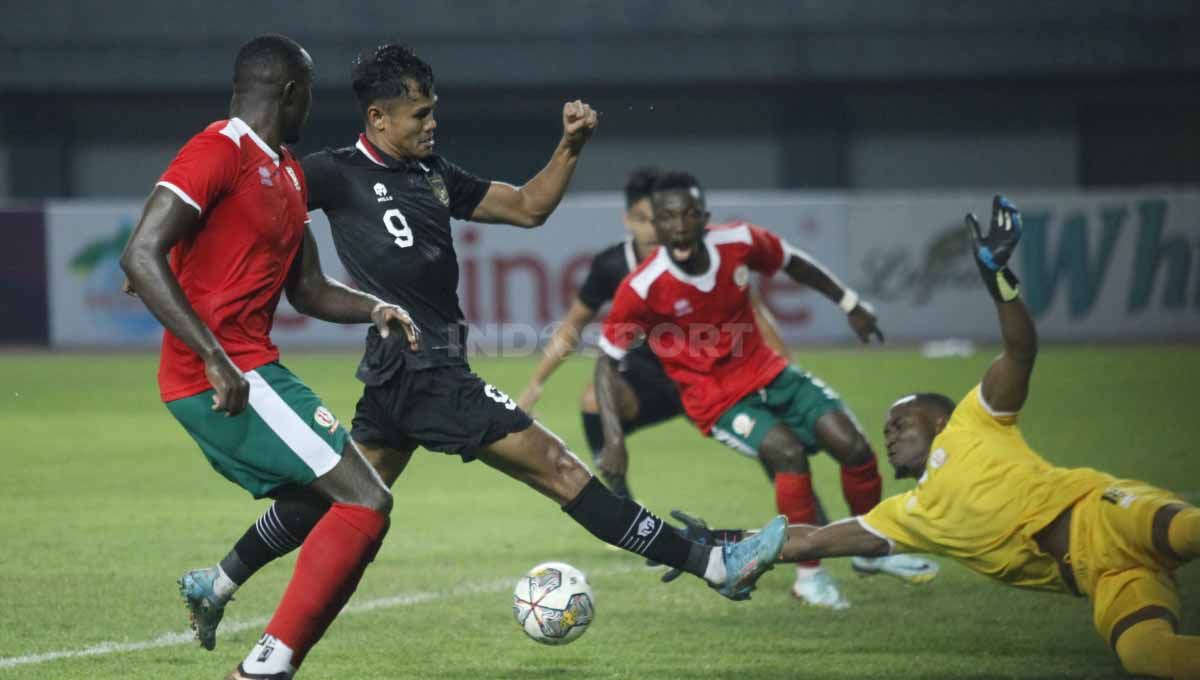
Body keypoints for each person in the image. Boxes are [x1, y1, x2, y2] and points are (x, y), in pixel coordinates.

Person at [175, 43, 789, 653]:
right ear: (379, 118)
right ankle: (714, 566)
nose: (433, 123)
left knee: (332, 494)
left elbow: (528, 207)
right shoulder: (331, 172)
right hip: (424, 369)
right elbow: (251, 203)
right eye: (420, 114)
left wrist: (570, 144)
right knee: (560, 468)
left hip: (404, 368)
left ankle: (218, 581)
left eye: (433, 110)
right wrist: (181, 251)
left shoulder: (435, 175)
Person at [669, 196, 1200, 679]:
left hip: (1109, 515)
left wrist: (998, 278)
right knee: (1144, 655)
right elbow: (811, 538)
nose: (891, 431)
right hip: (1103, 578)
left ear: (941, 418)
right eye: (887, 428)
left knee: (1188, 531)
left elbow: (1020, 352)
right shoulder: (911, 514)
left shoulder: (978, 419)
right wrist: (714, 543)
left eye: (903, 420)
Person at [121, 35, 423, 680]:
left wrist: (374, 307)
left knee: (326, 497)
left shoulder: (285, 170)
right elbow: (140, 255)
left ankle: (217, 585)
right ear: (292, 91)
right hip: (218, 374)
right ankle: (268, 666)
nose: (314, 104)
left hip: (254, 366)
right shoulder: (219, 150)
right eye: (310, 91)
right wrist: (213, 358)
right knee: (367, 500)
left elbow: (308, 289)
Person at [595, 171, 938, 609]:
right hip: (716, 399)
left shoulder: (738, 241)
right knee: (787, 453)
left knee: (854, 447)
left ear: (705, 217)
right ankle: (808, 577)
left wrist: (850, 304)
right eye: (667, 217)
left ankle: (869, 549)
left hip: (770, 373)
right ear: (655, 226)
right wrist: (614, 439)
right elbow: (606, 361)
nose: (679, 225)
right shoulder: (642, 287)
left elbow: (794, 261)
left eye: (688, 214)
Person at [515, 166, 790, 499]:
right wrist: (536, 383)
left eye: (657, 218)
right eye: (642, 219)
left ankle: (806, 510)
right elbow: (573, 324)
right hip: (648, 381)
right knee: (594, 400)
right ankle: (622, 508)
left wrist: (786, 369)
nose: (652, 229)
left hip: (709, 375)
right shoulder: (611, 266)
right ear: (627, 220)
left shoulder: (704, 254)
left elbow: (756, 312)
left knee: (771, 438)